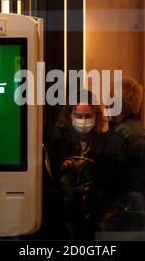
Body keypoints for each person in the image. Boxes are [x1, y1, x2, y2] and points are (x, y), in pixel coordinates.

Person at [83, 77, 145, 234]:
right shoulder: (143, 133)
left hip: (119, 218)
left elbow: (104, 177)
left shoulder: (118, 136)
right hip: (140, 216)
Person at [44, 90, 107, 240]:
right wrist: (65, 167)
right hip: (64, 213)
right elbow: (52, 174)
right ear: (70, 115)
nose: (83, 120)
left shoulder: (102, 140)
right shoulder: (58, 137)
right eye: (78, 116)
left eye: (88, 116)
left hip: (94, 212)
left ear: (96, 116)